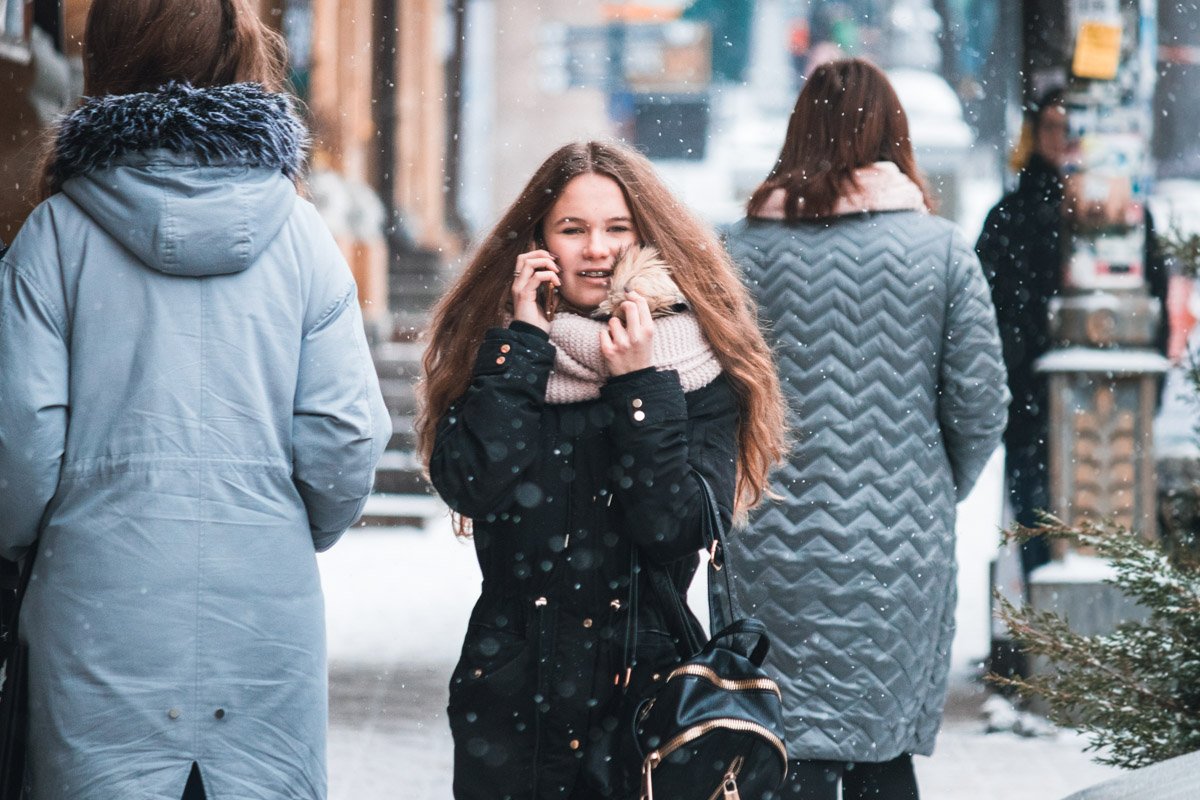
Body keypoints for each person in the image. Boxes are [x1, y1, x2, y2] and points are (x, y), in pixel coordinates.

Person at [0, 1, 392, 798]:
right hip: (263, 622)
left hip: (97, 618)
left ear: (104, 60)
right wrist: (276, 520)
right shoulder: (305, 239)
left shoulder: (55, 238)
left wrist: (54, 536)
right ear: (241, 57)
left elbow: (19, 452)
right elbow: (348, 439)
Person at [417, 140, 787, 799]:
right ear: (538, 241)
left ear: (648, 237)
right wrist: (526, 346)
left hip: (644, 697)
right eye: (573, 229)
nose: (597, 249)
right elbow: (471, 481)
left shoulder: (695, 366)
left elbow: (676, 528)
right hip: (510, 694)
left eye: (618, 228)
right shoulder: (501, 348)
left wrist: (639, 385)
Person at [723, 58, 1009, 800]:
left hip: (771, 535)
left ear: (797, 134)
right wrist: (930, 481)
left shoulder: (737, 253)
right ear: (894, 133)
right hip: (899, 544)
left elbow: (711, 397)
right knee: (880, 752)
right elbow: (980, 403)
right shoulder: (941, 250)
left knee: (778, 734)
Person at [976, 88, 1169, 586]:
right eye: (1056, 126)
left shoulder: (1127, 216)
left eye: (1077, 128)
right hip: (1029, 405)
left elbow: (1156, 303)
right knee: (1041, 533)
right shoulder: (1011, 215)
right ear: (1036, 135)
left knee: (1111, 534)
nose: (1067, 139)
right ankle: (1048, 640)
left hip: (1110, 401)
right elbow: (986, 315)